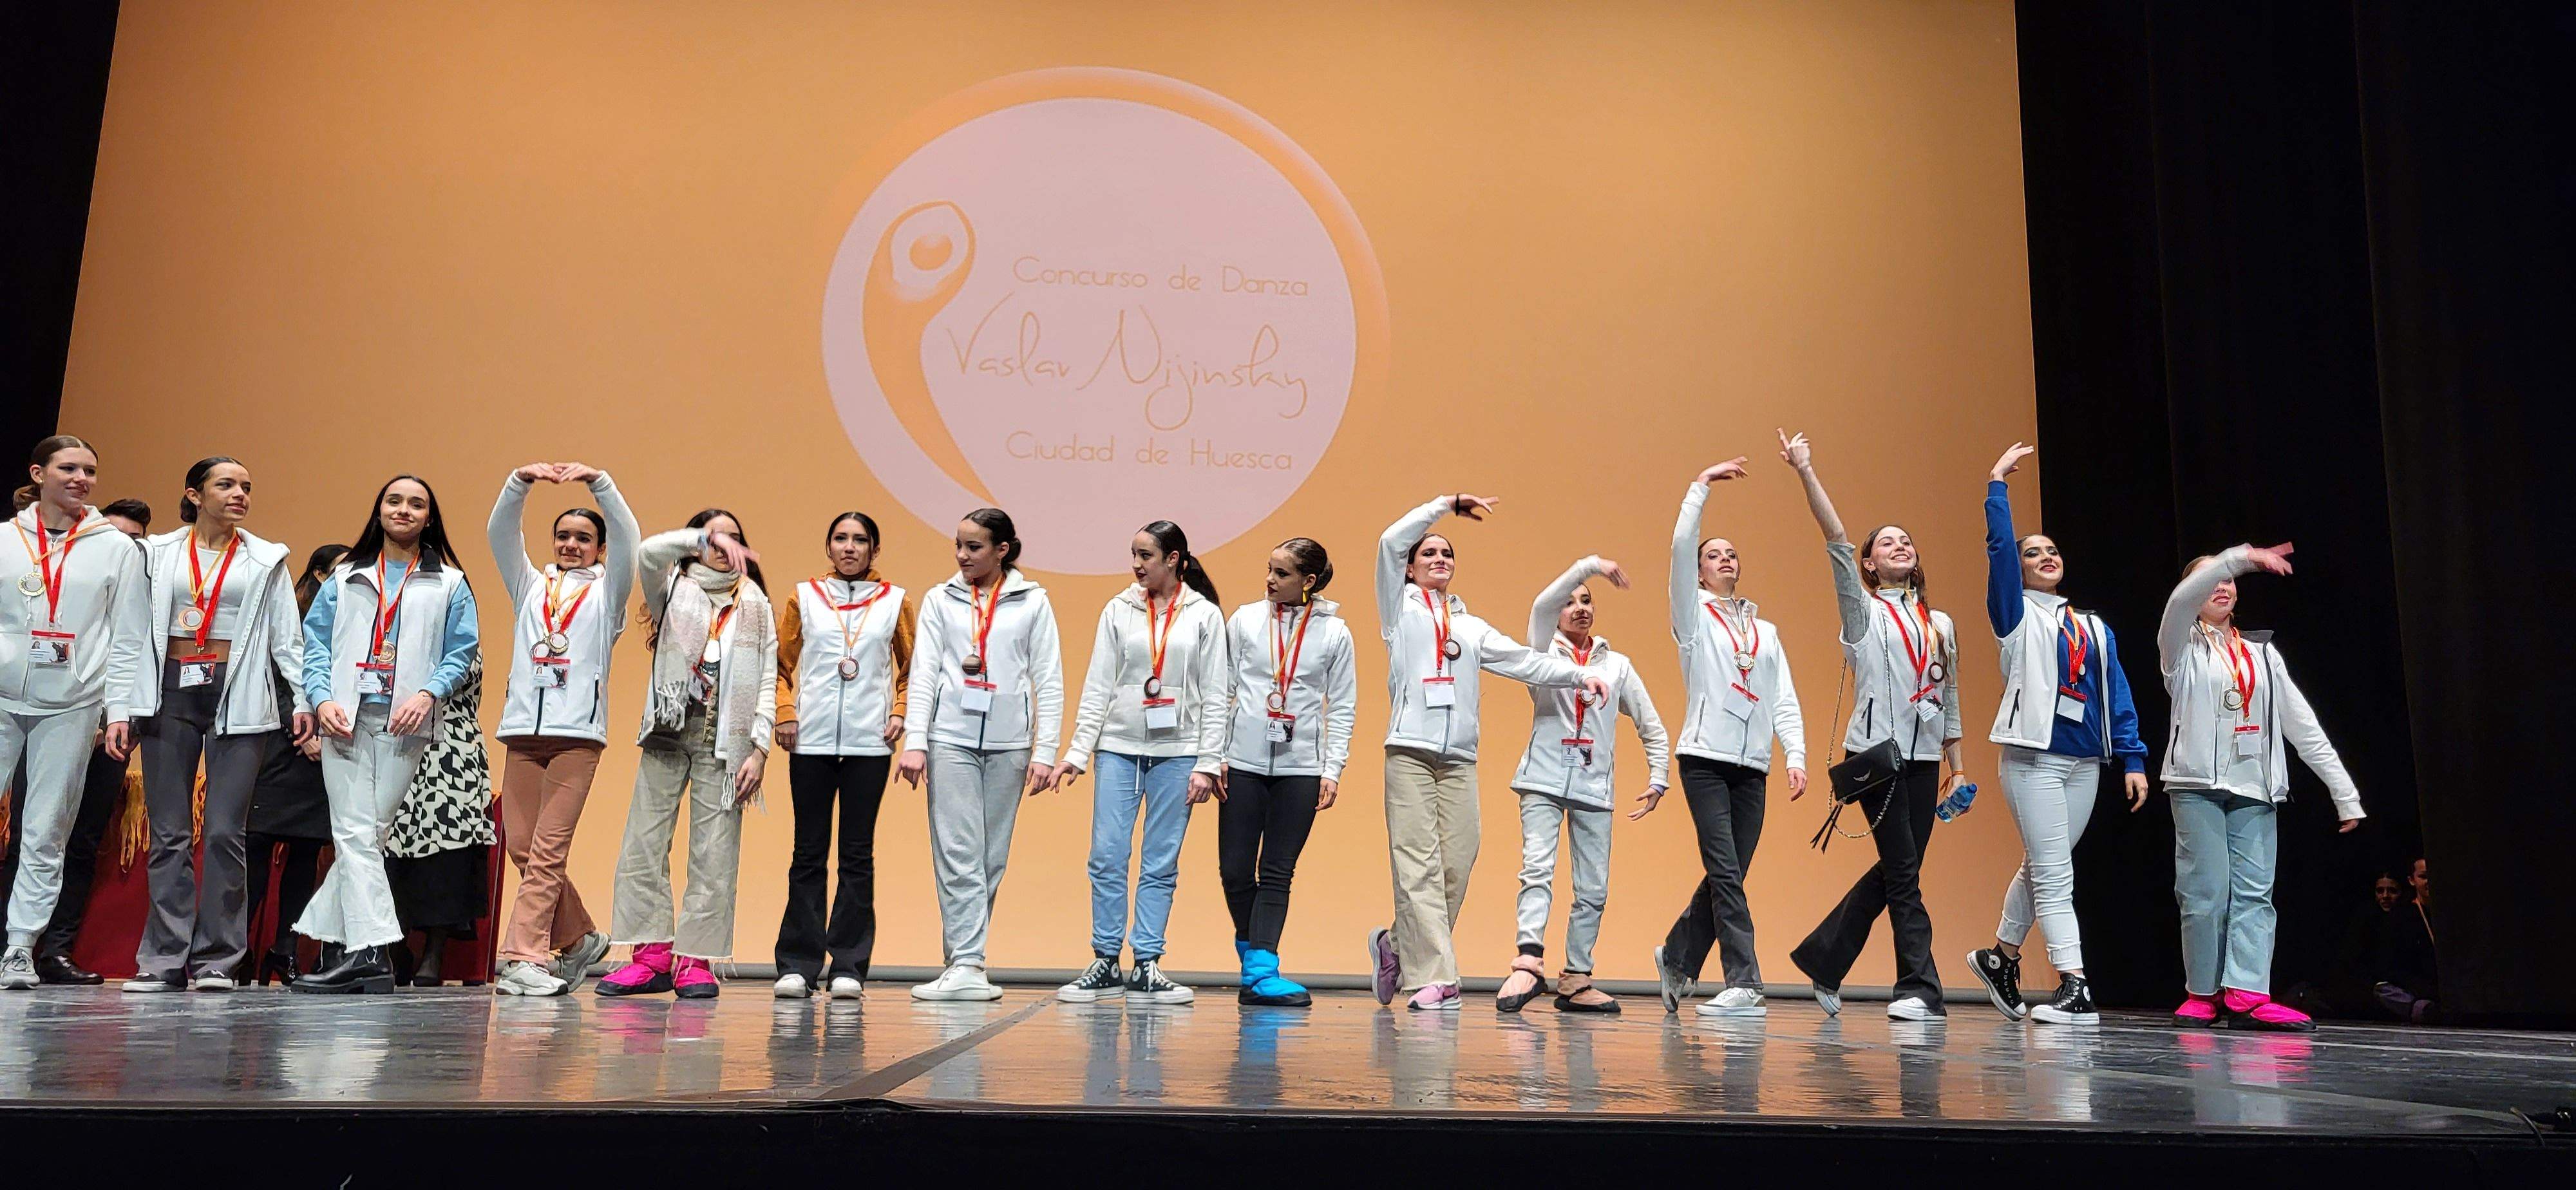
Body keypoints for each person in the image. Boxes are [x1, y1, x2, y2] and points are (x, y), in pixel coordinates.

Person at [1365, 494, 1607, 1012]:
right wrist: (1444, 506)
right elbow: (1388, 542)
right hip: (1408, 752)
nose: (1439, 559)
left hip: (1459, 760)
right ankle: (1440, 978)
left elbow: (1526, 663)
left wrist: (1578, 673)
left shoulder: (1470, 628)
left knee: (1456, 863)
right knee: (1417, 866)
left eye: (1447, 554)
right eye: (1428, 553)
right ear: (1409, 568)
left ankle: (1397, 947)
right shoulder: (1398, 611)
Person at [1776, 430, 1965, 1022]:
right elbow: (1835, 540)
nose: (1900, 546)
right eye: (1887, 543)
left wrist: (1958, 771)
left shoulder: (1942, 623)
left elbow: (1950, 697)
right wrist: (1806, 470)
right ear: (1869, 562)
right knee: (1905, 875)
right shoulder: (1864, 612)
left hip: (1928, 759)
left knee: (1896, 870)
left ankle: (1825, 960)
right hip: (1877, 759)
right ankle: (1918, 988)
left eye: (1907, 541)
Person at [1962, 443, 2150, 1026]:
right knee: (2054, 872)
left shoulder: (2092, 625)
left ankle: (2000, 957)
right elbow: (1998, 550)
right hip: (2033, 760)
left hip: (2085, 763)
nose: (2045, 556)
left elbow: (2115, 693)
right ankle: (2075, 983)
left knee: (2046, 864)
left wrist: (2135, 758)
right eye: (2033, 552)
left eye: (2052, 550)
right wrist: (1997, 485)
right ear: (2018, 570)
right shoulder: (2014, 616)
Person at [2157, 542, 2362, 1032]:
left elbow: (2303, 726)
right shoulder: (2180, 646)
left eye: (2228, 580)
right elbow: (2179, 603)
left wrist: (2344, 791)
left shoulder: (2262, 655)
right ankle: (2203, 993)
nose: (2222, 586)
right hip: (2197, 786)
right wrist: (2236, 558)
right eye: (2209, 580)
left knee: (2255, 895)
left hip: (2256, 789)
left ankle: (2247, 993)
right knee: (2205, 894)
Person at [127, 457, 312, 992]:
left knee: (227, 833)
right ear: (194, 493)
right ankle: (163, 959)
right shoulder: (156, 553)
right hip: (170, 695)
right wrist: (121, 706)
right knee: (169, 834)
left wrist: (300, 699)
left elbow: (287, 638)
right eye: (226, 485)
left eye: (246, 487)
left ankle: (216, 962)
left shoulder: (265, 558)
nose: (240, 494)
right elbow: (133, 632)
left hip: (240, 698)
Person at [291, 475, 480, 994]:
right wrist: (321, 697)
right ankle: (372, 953)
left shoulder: (449, 583)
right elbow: (315, 644)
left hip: (407, 723)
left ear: (429, 518)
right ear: (378, 511)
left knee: (367, 835)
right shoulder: (347, 576)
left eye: (416, 504)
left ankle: (344, 950)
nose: (404, 510)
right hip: (345, 720)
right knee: (355, 833)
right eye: (394, 501)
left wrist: (427, 694)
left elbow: (461, 652)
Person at [1649, 458, 1806, 1019]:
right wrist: (1699, 489)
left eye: (1732, 554)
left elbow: (1782, 693)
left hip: (1754, 765)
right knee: (1726, 872)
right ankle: (1745, 980)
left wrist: (1796, 753)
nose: (1726, 560)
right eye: (1714, 555)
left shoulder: (1764, 631)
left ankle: (1677, 955)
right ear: (1697, 574)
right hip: (1704, 762)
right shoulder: (1692, 619)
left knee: (1730, 874)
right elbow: (1677, 548)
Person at [596, 509, 775, 1000]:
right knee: (643, 845)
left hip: (727, 738)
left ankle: (693, 960)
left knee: (714, 853)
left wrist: (758, 749)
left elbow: (765, 679)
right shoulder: (672, 587)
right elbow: (648, 552)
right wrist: (699, 536)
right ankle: (650, 956)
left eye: (734, 538)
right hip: (669, 731)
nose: (725, 546)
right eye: (716, 537)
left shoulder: (755, 601)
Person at [1050, 522, 1228, 1005]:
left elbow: (1216, 695)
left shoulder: (1204, 616)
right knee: (1107, 855)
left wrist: (1208, 762)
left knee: (1160, 860)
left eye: (1145, 554)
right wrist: (1076, 752)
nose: (1136, 564)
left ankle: (1147, 963)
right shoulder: (1118, 609)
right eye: (1133, 553)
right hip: (1119, 747)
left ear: (1173, 559)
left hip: (1180, 753)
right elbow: (1097, 685)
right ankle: (1106, 960)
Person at [484, 463, 638, 996]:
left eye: (585, 538)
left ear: (599, 548)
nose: (572, 545)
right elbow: (499, 533)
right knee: (522, 847)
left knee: (548, 851)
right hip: (523, 732)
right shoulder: (530, 585)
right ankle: (579, 939)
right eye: (564, 536)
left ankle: (525, 956)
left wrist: (601, 483)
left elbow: (630, 538)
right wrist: (518, 484)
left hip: (577, 737)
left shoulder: (607, 594)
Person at [1, 436, 149, 990]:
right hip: (1, 697)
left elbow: (129, 636)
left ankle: (20, 947)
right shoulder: (5, 540)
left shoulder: (116, 548)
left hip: (73, 702)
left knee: (46, 828)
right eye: (68, 468)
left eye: (90, 469)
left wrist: (120, 709)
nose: (81, 478)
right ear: (39, 472)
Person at [898, 508, 1063, 1002]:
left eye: (974, 547)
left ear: (1002, 551)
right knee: (957, 851)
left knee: (989, 858)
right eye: (958, 545)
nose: (962, 555)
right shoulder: (939, 599)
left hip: (1011, 742)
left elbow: (1048, 677)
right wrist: (915, 742)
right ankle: (970, 962)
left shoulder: (1032, 602)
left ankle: (961, 962)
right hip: (950, 737)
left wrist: (1046, 750)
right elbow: (924, 673)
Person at [1501, 553, 1669, 1014]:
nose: (1580, 607)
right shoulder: (1540, 654)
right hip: (1542, 779)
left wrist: (1659, 777)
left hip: (1595, 787)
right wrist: (1587, 566)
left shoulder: (1619, 666)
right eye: (1571, 601)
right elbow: (1539, 605)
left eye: (1588, 600)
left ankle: (1576, 978)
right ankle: (1528, 961)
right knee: (1537, 868)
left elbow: (1651, 725)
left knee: (1593, 888)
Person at [770, 511, 913, 1000]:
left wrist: (900, 711)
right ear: (828, 547)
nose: (849, 547)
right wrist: (785, 712)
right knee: (807, 854)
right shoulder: (804, 597)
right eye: (840, 539)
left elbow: (914, 668)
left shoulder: (895, 601)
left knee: (857, 857)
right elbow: (780, 663)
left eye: (860, 540)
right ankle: (798, 964)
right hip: (808, 741)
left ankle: (849, 965)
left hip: (869, 744)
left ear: (875, 550)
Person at [1217, 538, 1354, 1008]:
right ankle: (1254, 959)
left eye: (1282, 573)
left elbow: (1343, 705)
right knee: (1235, 870)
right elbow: (1223, 689)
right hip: (1242, 762)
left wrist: (1332, 769)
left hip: (1301, 769)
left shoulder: (1335, 633)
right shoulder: (1244, 619)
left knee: (1277, 871)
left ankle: (1262, 969)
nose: (1270, 580)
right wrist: (1212, 755)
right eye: (1269, 570)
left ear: (1308, 582)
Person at [244, 542, 345, 985]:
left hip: (327, 751)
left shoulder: (354, 622)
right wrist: (299, 731)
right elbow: (275, 678)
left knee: (307, 856)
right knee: (255, 852)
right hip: (280, 746)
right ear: (320, 575)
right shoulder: (294, 616)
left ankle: (284, 950)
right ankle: (235, 951)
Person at [384, 656, 496, 986]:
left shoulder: (463, 639)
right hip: (404, 740)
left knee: (449, 851)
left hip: (453, 747)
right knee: (395, 843)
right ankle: (397, 945)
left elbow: (463, 676)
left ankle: (434, 951)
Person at [2371, 858, 2437, 1024]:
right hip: (2415, 990)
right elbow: (2393, 968)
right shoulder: (2401, 917)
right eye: (2423, 876)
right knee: (2383, 990)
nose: (2429, 882)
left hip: (2444, 989)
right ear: (2412, 880)